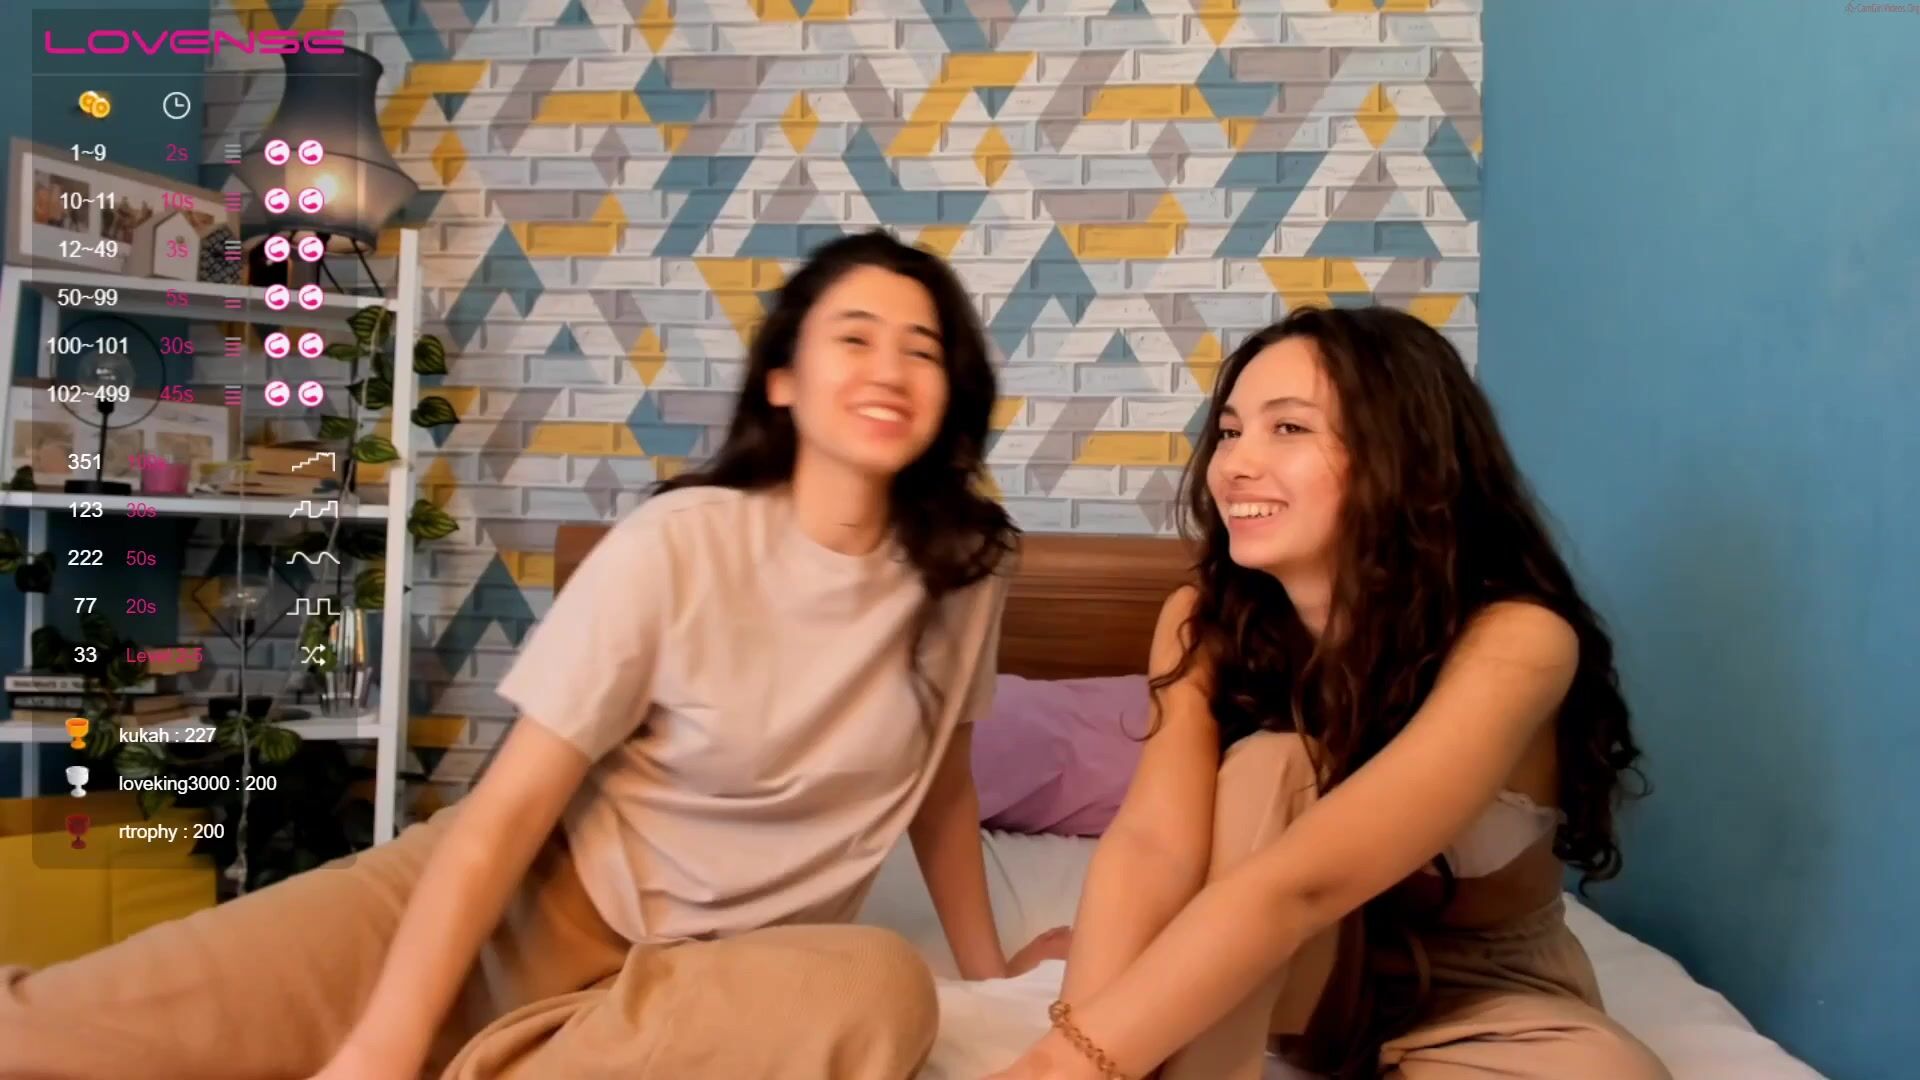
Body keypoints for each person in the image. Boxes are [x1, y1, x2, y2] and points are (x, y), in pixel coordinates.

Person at [0, 229, 1068, 1080]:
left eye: (922, 348)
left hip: (702, 995)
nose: (889, 369)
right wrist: (379, 1047)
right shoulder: (680, 545)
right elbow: (506, 816)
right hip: (517, 899)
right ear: (783, 380)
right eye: (856, 337)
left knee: (881, 991)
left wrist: (986, 975)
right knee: (55, 1029)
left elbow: (942, 785)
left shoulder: (968, 571)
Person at [987, 306, 1671, 1080]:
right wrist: (1079, 1035)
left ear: (1402, 454)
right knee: (1271, 764)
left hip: (1482, 995)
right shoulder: (1200, 622)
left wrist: (1070, 1062)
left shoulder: (1518, 641)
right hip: (1282, 981)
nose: (1234, 464)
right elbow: (1151, 845)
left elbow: (1307, 883)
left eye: (1288, 428)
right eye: (1230, 431)